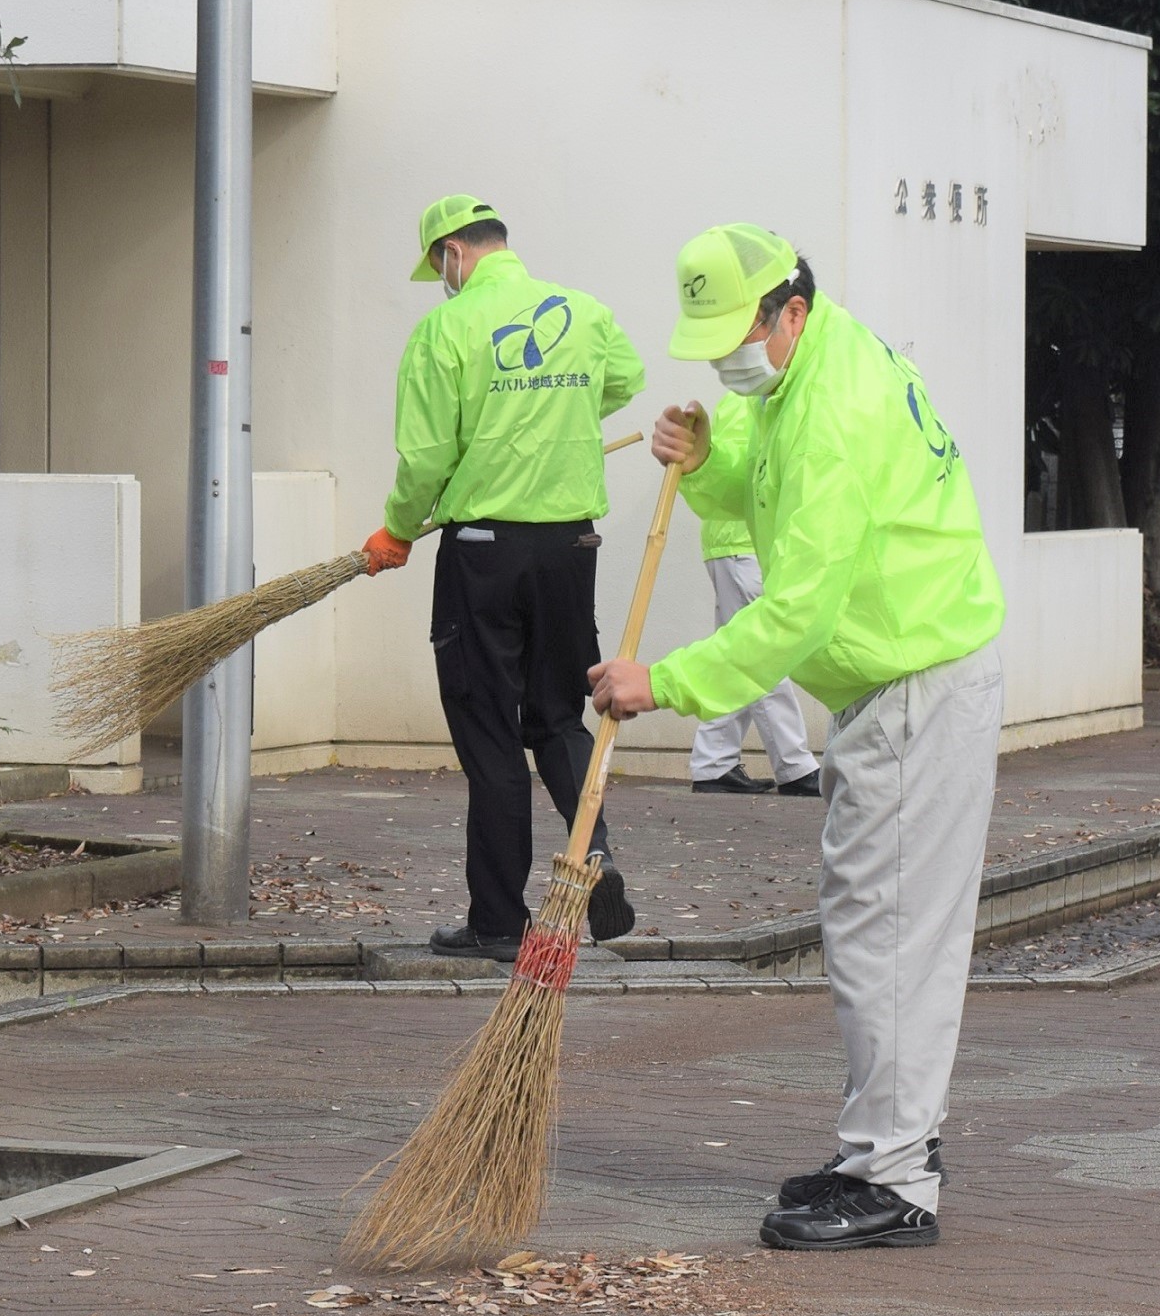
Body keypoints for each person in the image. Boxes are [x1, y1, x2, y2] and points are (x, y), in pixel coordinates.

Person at [588, 224, 1004, 1252]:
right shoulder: (799, 378)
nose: (726, 360)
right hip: (902, 675)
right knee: (882, 925)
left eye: (739, 336)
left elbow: (795, 616)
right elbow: (759, 497)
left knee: (887, 932)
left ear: (791, 312)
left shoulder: (835, 412)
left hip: (912, 681)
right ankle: (885, 1146)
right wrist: (712, 456)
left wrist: (665, 682)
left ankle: (896, 1179)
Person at [362, 194, 644, 960]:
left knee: (489, 732)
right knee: (556, 717)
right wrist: (557, 413)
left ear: (455, 251)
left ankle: (497, 921)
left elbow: (425, 456)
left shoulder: (445, 330)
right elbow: (624, 380)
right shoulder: (583, 310)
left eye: (437, 265)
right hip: (570, 547)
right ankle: (596, 853)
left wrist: (395, 527)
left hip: (483, 551)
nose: (439, 278)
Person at [683, 391, 821, 797]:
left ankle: (714, 762)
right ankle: (795, 766)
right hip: (744, 545)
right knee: (763, 655)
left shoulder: (736, 401)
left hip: (729, 546)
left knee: (737, 657)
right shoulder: (764, 403)